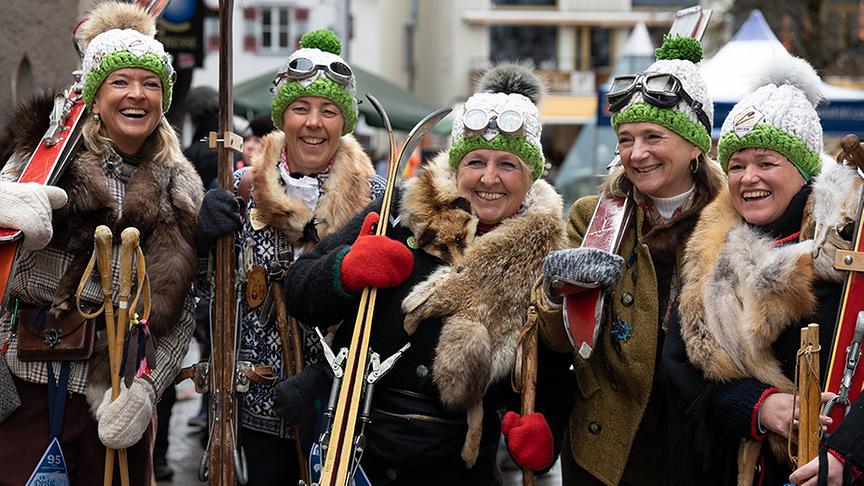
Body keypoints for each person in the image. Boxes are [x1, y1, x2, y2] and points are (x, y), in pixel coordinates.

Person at [279, 63, 564, 485]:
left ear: (530, 175)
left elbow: (553, 371)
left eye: (507, 164)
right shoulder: (398, 214)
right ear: (456, 167)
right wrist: (345, 270)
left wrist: (546, 437)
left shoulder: (544, 259)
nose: (489, 178)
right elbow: (300, 291)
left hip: (457, 469)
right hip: (359, 453)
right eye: (476, 161)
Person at [0, 2, 203, 485]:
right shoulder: (44, 155)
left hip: (114, 396)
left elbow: (183, 313)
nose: (136, 95)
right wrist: (7, 205)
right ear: (94, 96)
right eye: (120, 82)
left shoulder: (182, 186)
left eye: (150, 84)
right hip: (28, 388)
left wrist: (145, 390)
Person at [194, 29, 385, 485]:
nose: (313, 123)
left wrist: (322, 377)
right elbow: (206, 294)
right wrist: (201, 245)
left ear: (344, 122)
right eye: (301, 108)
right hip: (256, 414)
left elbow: (388, 313)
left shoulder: (376, 198)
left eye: (329, 111)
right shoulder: (242, 190)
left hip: (345, 412)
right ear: (283, 116)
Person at [533, 35, 725, 485]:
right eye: (625, 139)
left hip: (700, 446)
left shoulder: (731, 222)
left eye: (654, 136)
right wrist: (557, 294)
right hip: (604, 454)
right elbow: (558, 342)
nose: (636, 154)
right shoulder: (593, 218)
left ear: (695, 145)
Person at [670, 54, 864, 485]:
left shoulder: (852, 242)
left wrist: (849, 455)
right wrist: (758, 407)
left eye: (766, 163)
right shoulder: (709, 251)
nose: (747, 178)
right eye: (736, 165)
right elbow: (680, 368)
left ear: (804, 169)